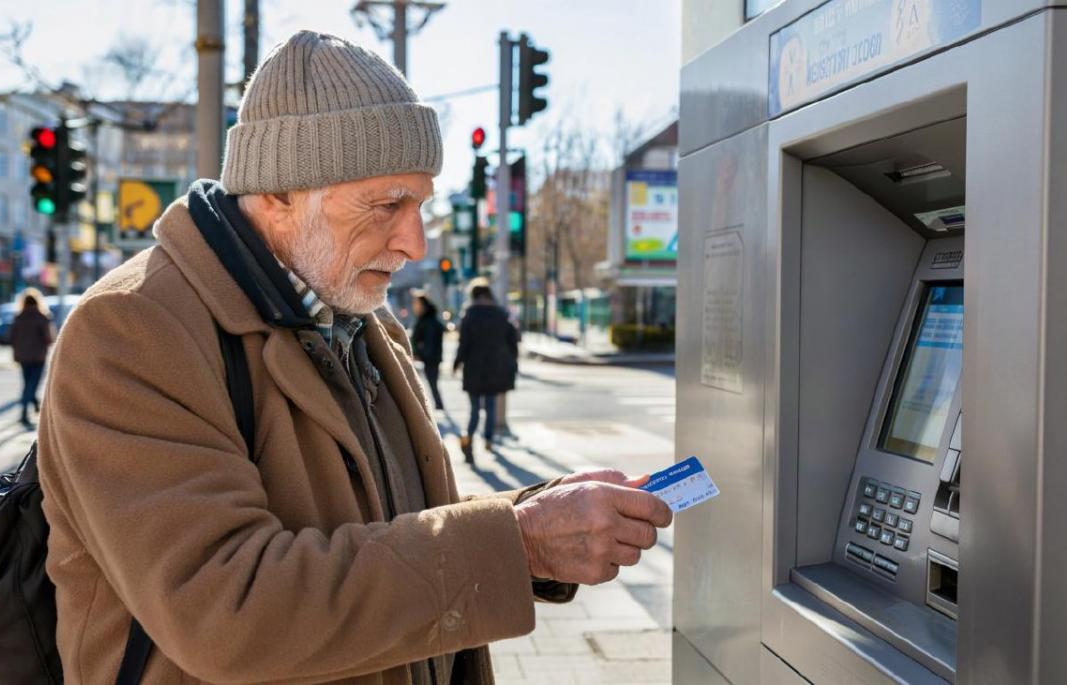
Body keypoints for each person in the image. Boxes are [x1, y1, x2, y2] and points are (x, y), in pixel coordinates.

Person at [37, 31, 671, 685]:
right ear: (278, 191)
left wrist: (532, 522)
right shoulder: (132, 327)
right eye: (387, 204)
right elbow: (225, 609)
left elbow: (384, 521)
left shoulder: (358, 314)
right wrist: (516, 542)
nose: (415, 242)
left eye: (420, 204)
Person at [453, 284, 518, 463]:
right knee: (490, 407)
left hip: (473, 368)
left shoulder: (469, 315)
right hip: (494, 368)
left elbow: (463, 344)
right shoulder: (501, 315)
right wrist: (511, 361)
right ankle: (489, 440)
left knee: (474, 409)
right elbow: (513, 341)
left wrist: (456, 363)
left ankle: (469, 440)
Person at [8, 287, 54, 427]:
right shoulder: (42, 317)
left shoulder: (18, 317)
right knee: (32, 385)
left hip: (22, 357)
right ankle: (24, 413)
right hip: (38, 356)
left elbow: (11, 337)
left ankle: (32, 405)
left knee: (27, 383)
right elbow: (49, 339)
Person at [410, 293, 445, 410]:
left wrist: (420, 354)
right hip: (428, 357)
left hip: (430, 358)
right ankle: (437, 405)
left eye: (416, 303)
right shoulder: (425, 319)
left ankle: (438, 406)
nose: (414, 306)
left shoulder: (428, 321)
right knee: (430, 384)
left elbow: (429, 343)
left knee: (432, 383)